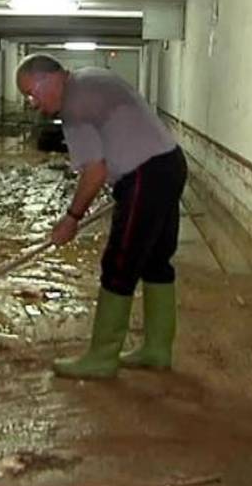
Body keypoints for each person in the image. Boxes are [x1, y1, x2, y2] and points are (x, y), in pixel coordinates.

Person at [15, 53, 187, 379]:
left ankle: (102, 358)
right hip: (169, 164)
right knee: (155, 261)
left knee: (119, 264)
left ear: (48, 79)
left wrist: (71, 218)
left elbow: (95, 172)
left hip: (144, 175)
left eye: (32, 93)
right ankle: (157, 349)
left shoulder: (73, 106)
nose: (32, 103)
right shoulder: (90, 76)